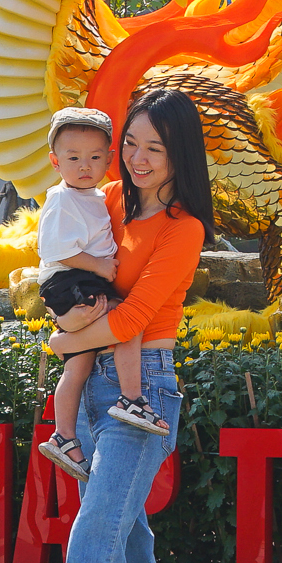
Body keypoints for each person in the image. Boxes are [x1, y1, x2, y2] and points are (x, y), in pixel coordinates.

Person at [46, 87, 209, 563]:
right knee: (130, 542)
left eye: (155, 148)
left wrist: (65, 341)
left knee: (92, 546)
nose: (138, 159)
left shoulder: (183, 227)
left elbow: (138, 314)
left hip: (145, 390)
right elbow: (65, 257)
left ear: (178, 156)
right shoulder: (106, 198)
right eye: (132, 144)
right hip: (93, 388)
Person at [33, 108, 167, 486]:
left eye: (94, 158)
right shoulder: (63, 200)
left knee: (78, 364)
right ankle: (131, 398)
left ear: (109, 159)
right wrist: (97, 266)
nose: (84, 166)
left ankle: (63, 435)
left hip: (73, 280)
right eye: (73, 159)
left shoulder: (92, 195)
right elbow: (54, 248)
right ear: (55, 162)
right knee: (127, 318)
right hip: (71, 277)